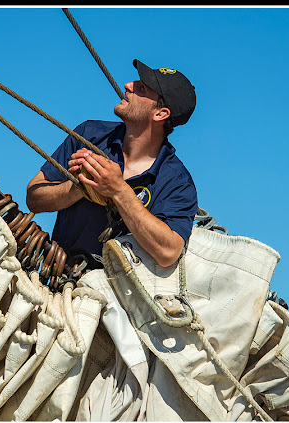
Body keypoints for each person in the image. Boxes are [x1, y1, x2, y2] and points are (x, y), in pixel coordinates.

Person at [26, 59, 198, 268]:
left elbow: (169, 252)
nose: (128, 86)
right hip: (55, 278)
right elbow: (33, 198)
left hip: (117, 297)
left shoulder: (177, 182)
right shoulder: (89, 134)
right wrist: (80, 187)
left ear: (160, 114)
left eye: (141, 88)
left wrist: (118, 190)